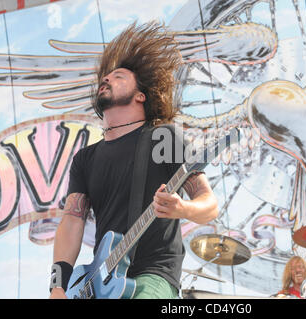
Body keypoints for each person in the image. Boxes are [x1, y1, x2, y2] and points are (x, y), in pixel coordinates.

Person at [49, 21, 219, 299]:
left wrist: (182, 209)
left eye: (119, 77)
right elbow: (72, 220)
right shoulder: (85, 158)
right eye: (105, 77)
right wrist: (58, 285)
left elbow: (208, 205)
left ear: (140, 95)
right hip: (100, 283)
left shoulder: (163, 138)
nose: (107, 79)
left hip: (152, 275)